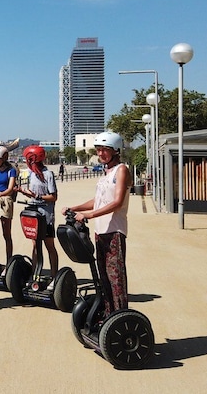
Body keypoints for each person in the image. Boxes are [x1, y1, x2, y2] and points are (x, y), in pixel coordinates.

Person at [63, 132, 132, 316]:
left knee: (115, 278)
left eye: (105, 150)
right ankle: (109, 315)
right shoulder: (105, 173)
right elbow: (98, 200)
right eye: (99, 150)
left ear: (115, 150)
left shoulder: (121, 170)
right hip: (100, 231)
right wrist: (75, 207)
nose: (100, 153)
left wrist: (89, 215)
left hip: (114, 231)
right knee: (103, 278)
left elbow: (117, 202)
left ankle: (120, 316)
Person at [17, 145, 59, 277]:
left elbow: (54, 196)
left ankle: (54, 275)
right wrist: (23, 192)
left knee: (49, 245)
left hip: (46, 215)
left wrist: (38, 196)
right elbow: (33, 194)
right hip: (34, 213)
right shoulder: (32, 174)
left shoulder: (48, 174)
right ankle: (35, 274)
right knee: (35, 245)